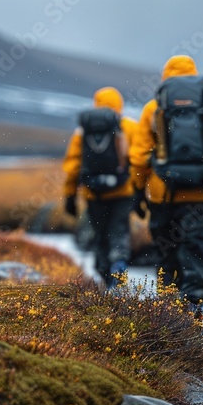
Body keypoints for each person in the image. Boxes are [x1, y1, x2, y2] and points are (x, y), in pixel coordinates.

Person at [129, 55, 203, 314]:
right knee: (195, 254)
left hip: (163, 197)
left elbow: (138, 158)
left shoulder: (153, 109)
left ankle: (167, 318)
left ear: (165, 77)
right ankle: (193, 311)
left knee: (167, 257)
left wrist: (137, 191)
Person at [62, 87, 137, 288]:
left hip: (94, 193)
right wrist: (140, 192)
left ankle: (105, 277)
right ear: (119, 104)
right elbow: (139, 160)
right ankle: (118, 271)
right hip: (123, 192)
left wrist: (70, 196)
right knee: (119, 231)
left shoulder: (83, 131)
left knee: (100, 234)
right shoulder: (129, 127)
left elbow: (73, 165)